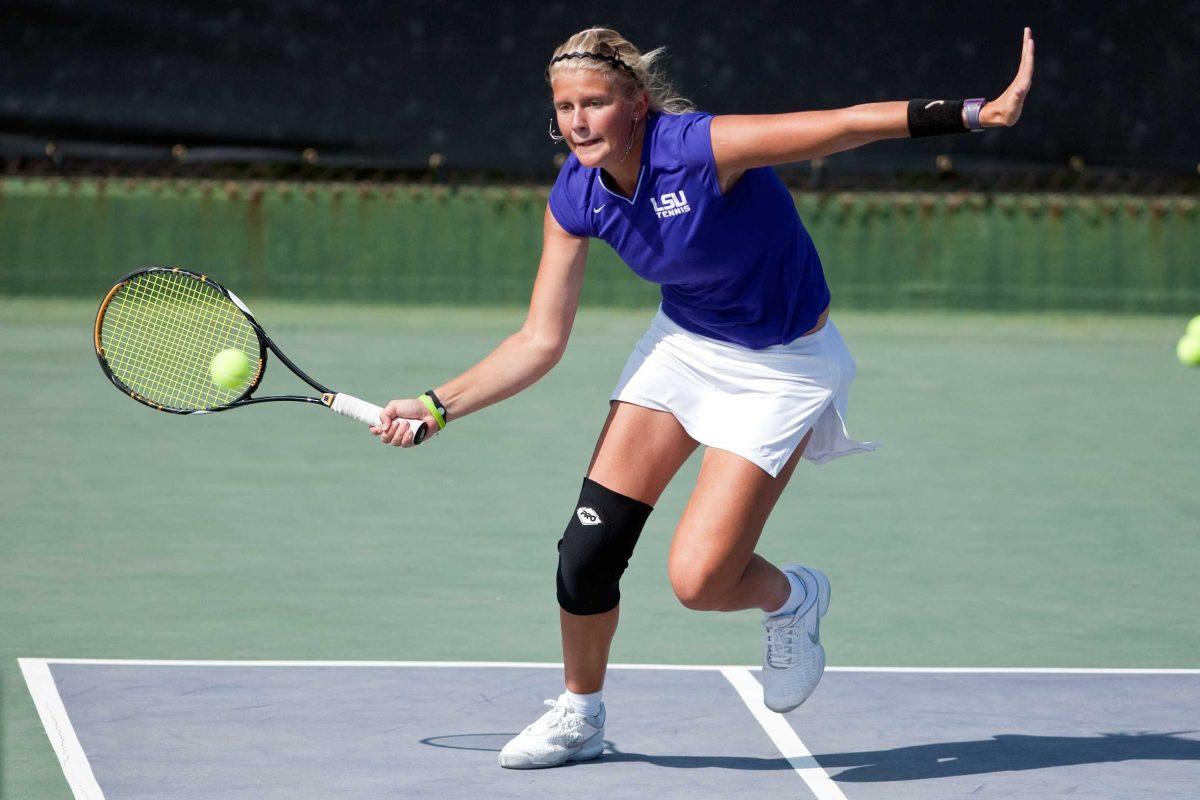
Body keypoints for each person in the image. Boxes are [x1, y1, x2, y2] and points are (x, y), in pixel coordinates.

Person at [371, 25, 1035, 770]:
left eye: (595, 102)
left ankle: (792, 599)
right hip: (684, 349)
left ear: (637, 105)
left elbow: (842, 125)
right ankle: (580, 715)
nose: (578, 121)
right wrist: (435, 405)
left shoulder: (700, 148)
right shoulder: (576, 193)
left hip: (784, 367)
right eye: (564, 107)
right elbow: (538, 342)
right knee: (585, 555)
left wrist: (977, 113)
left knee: (701, 582)